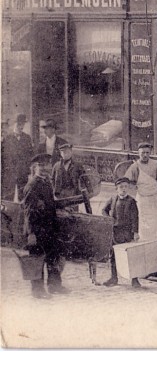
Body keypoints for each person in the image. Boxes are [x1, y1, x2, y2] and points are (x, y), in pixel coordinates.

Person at [21, 153, 67, 298]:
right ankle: (37, 291)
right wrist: (31, 233)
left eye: (46, 165)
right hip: (37, 230)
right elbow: (28, 211)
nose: (44, 168)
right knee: (37, 259)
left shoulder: (46, 182)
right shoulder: (32, 185)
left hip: (49, 229)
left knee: (53, 257)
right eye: (41, 166)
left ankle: (54, 286)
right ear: (35, 168)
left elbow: (49, 204)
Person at [100, 177, 141, 288]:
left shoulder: (131, 201)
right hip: (115, 232)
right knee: (113, 255)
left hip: (126, 232)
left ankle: (135, 280)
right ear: (116, 189)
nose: (124, 189)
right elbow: (103, 210)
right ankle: (114, 278)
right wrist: (108, 219)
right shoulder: (113, 199)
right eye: (121, 187)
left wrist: (136, 232)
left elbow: (135, 218)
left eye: (126, 187)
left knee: (130, 255)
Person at [125, 142, 157, 243]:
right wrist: (135, 192)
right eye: (143, 153)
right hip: (142, 199)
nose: (145, 155)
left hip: (155, 198)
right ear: (139, 153)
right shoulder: (135, 166)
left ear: (150, 153)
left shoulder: (155, 164)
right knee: (144, 222)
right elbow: (126, 182)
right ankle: (145, 243)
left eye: (147, 152)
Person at [52, 142, 92, 212]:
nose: (65, 154)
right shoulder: (56, 166)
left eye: (67, 152)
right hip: (60, 193)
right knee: (61, 210)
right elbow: (52, 179)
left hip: (73, 192)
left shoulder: (77, 165)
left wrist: (90, 190)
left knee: (74, 211)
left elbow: (84, 177)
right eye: (63, 153)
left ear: (71, 153)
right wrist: (53, 191)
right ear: (61, 154)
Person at [2, 114, 34, 201]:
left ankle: (22, 213)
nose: (21, 126)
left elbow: (31, 155)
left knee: (23, 196)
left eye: (23, 124)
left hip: (23, 172)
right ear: (14, 124)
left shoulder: (27, 138)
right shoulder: (7, 138)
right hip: (10, 173)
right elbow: (3, 156)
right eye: (19, 124)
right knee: (8, 197)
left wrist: (27, 167)